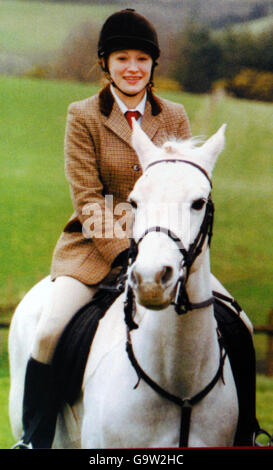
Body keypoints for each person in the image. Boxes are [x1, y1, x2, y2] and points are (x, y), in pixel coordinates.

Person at [14, 9, 238, 449]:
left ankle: (246, 430)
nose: (132, 67)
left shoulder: (172, 115)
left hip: (168, 249)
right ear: (105, 64)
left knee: (240, 326)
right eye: (122, 59)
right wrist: (126, 251)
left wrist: (165, 248)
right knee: (46, 332)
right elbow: (87, 197)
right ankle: (37, 436)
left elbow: (182, 184)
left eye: (141, 59)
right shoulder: (82, 116)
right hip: (93, 249)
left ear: (153, 65)